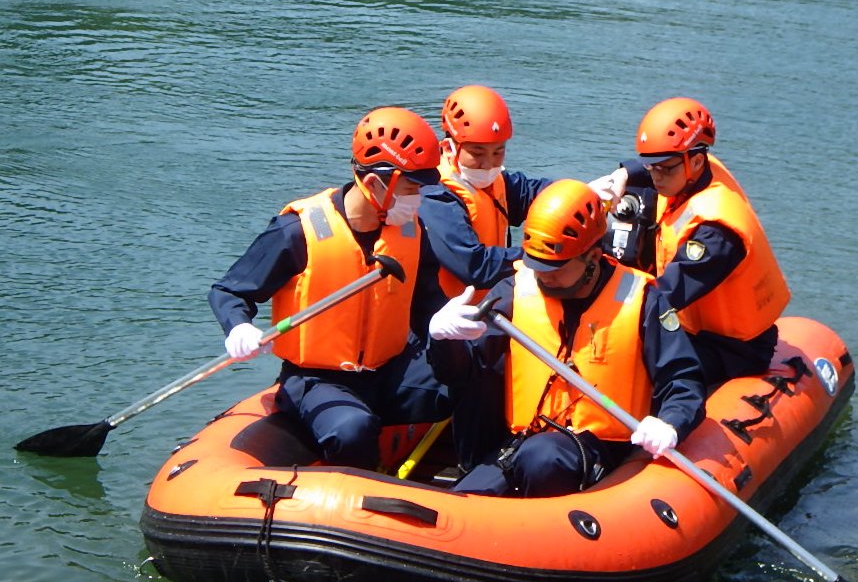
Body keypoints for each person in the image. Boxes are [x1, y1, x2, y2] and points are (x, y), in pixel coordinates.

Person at [427, 179, 707, 498]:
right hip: (522, 442)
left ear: (592, 256)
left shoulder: (643, 300)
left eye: (556, 267)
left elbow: (682, 378)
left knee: (542, 457)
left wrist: (670, 422)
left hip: (601, 448)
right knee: (474, 491)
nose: (544, 275)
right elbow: (461, 374)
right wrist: (443, 341)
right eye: (537, 265)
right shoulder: (514, 292)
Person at [208, 106, 451, 470]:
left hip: (390, 371)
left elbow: (428, 302)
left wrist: (451, 321)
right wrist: (238, 326)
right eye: (412, 188)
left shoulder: (411, 232)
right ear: (374, 184)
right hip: (316, 378)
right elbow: (230, 291)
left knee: (474, 380)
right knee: (353, 428)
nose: (419, 198)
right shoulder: (297, 232)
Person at [598, 97, 791, 386]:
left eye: (665, 169)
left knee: (631, 362)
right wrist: (624, 173)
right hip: (694, 328)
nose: (656, 177)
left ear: (696, 161)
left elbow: (667, 293)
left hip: (732, 348)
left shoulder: (715, 233)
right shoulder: (696, 169)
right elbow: (657, 165)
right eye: (651, 168)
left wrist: (602, 310)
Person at [418, 85, 551, 302]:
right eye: (477, 153)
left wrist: (582, 194)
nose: (488, 164)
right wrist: (545, 257)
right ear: (449, 147)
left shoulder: (495, 181)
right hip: (445, 322)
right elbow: (475, 265)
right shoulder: (435, 196)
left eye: (498, 152)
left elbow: (532, 192)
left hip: (486, 312)